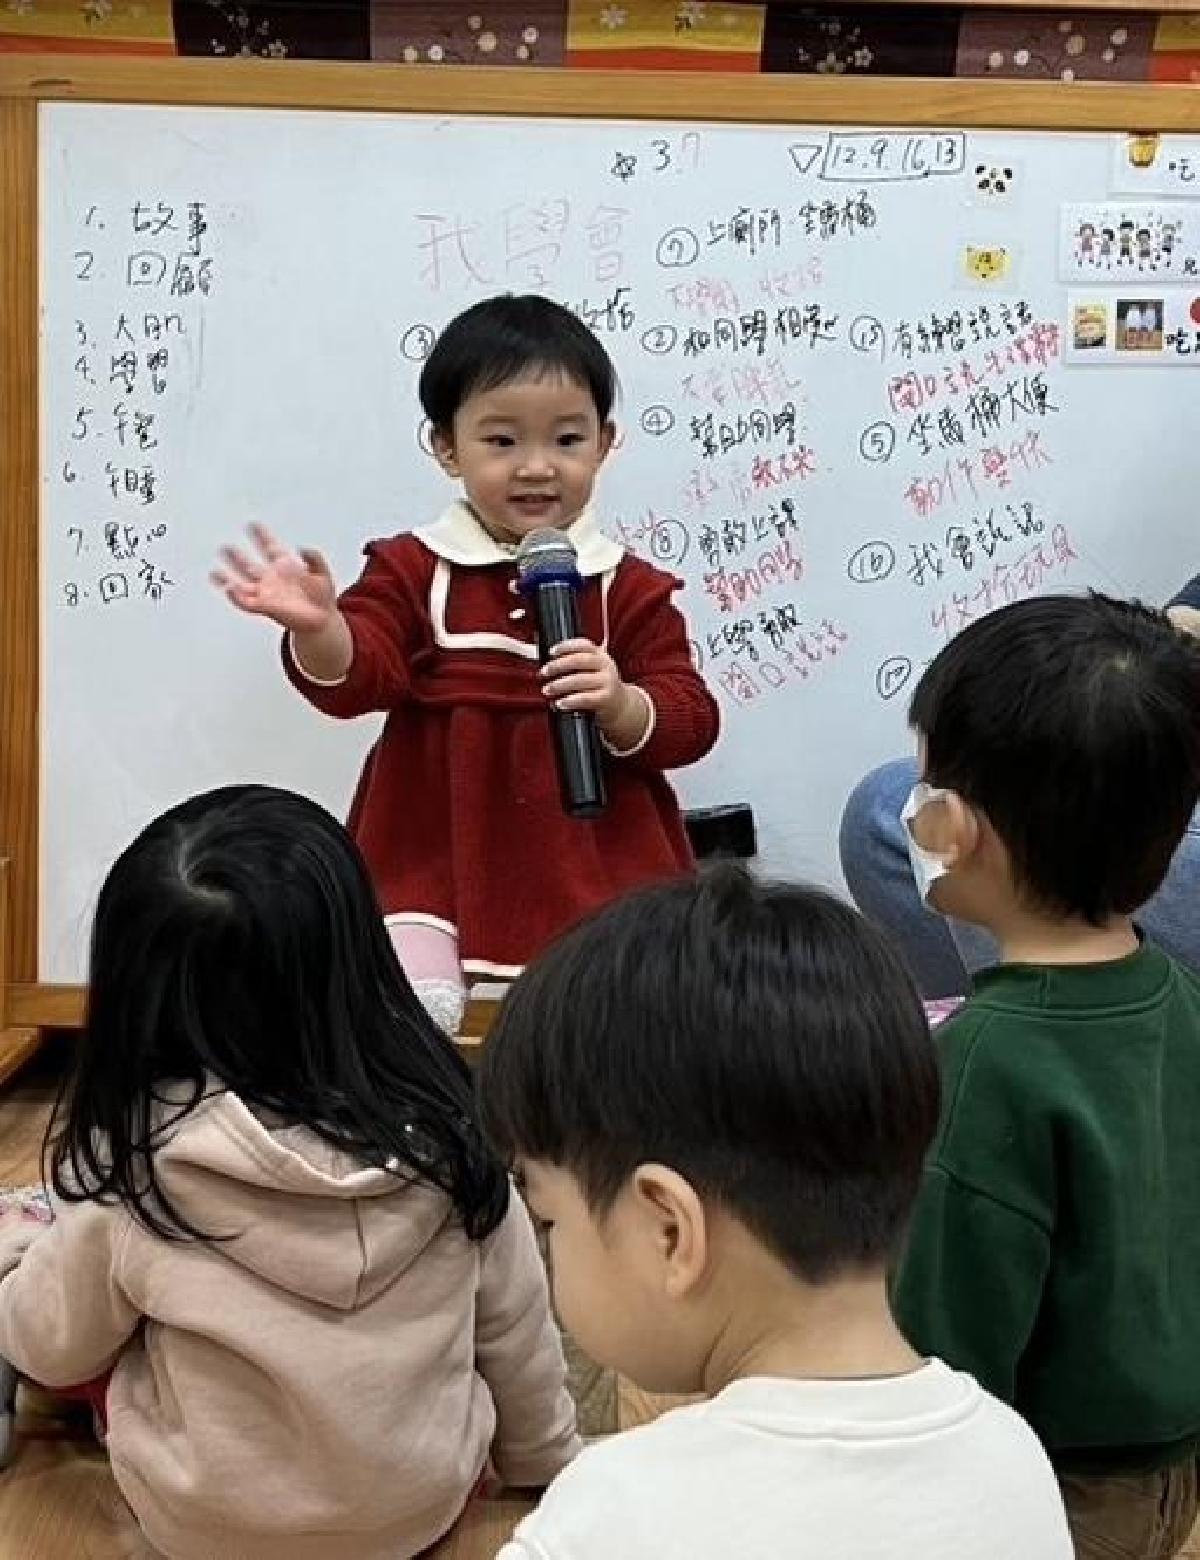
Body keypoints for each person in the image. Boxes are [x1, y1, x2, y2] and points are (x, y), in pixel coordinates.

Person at [0, 785, 578, 1560]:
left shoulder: (138, 1167)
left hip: (200, 1528)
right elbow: (517, 1337)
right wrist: (547, 1464)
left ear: (135, 985)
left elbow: (51, 1348)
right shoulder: (451, 1137)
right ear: (361, 960)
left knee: (48, 1285)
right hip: (418, 1513)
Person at [478, 866, 1072, 1560]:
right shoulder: (1009, 1457)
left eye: (550, 1221)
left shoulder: (609, 1515)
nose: (550, 1255)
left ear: (669, 1230)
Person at [213, 294, 720, 1032]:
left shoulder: (628, 584)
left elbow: (691, 717)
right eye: (502, 441)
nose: (538, 467)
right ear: (448, 447)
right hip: (428, 855)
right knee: (411, 1017)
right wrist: (322, 628)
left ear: (606, 443)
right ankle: (427, 1131)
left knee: (607, 1029)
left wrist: (620, 703)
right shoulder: (414, 566)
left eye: (568, 439)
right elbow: (364, 672)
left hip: (591, 861)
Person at [889, 595, 1200, 1559]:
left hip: (1051, 1477)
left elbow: (948, 1349)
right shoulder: (1175, 991)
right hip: (1168, 1455)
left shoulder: (982, 1063)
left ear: (963, 831)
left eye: (925, 780)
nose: (912, 803)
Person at [839, 575, 1200, 998]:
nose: (916, 805)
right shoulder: (1188, 1004)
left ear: (953, 831)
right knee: (881, 806)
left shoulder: (965, 1056)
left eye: (928, 787)